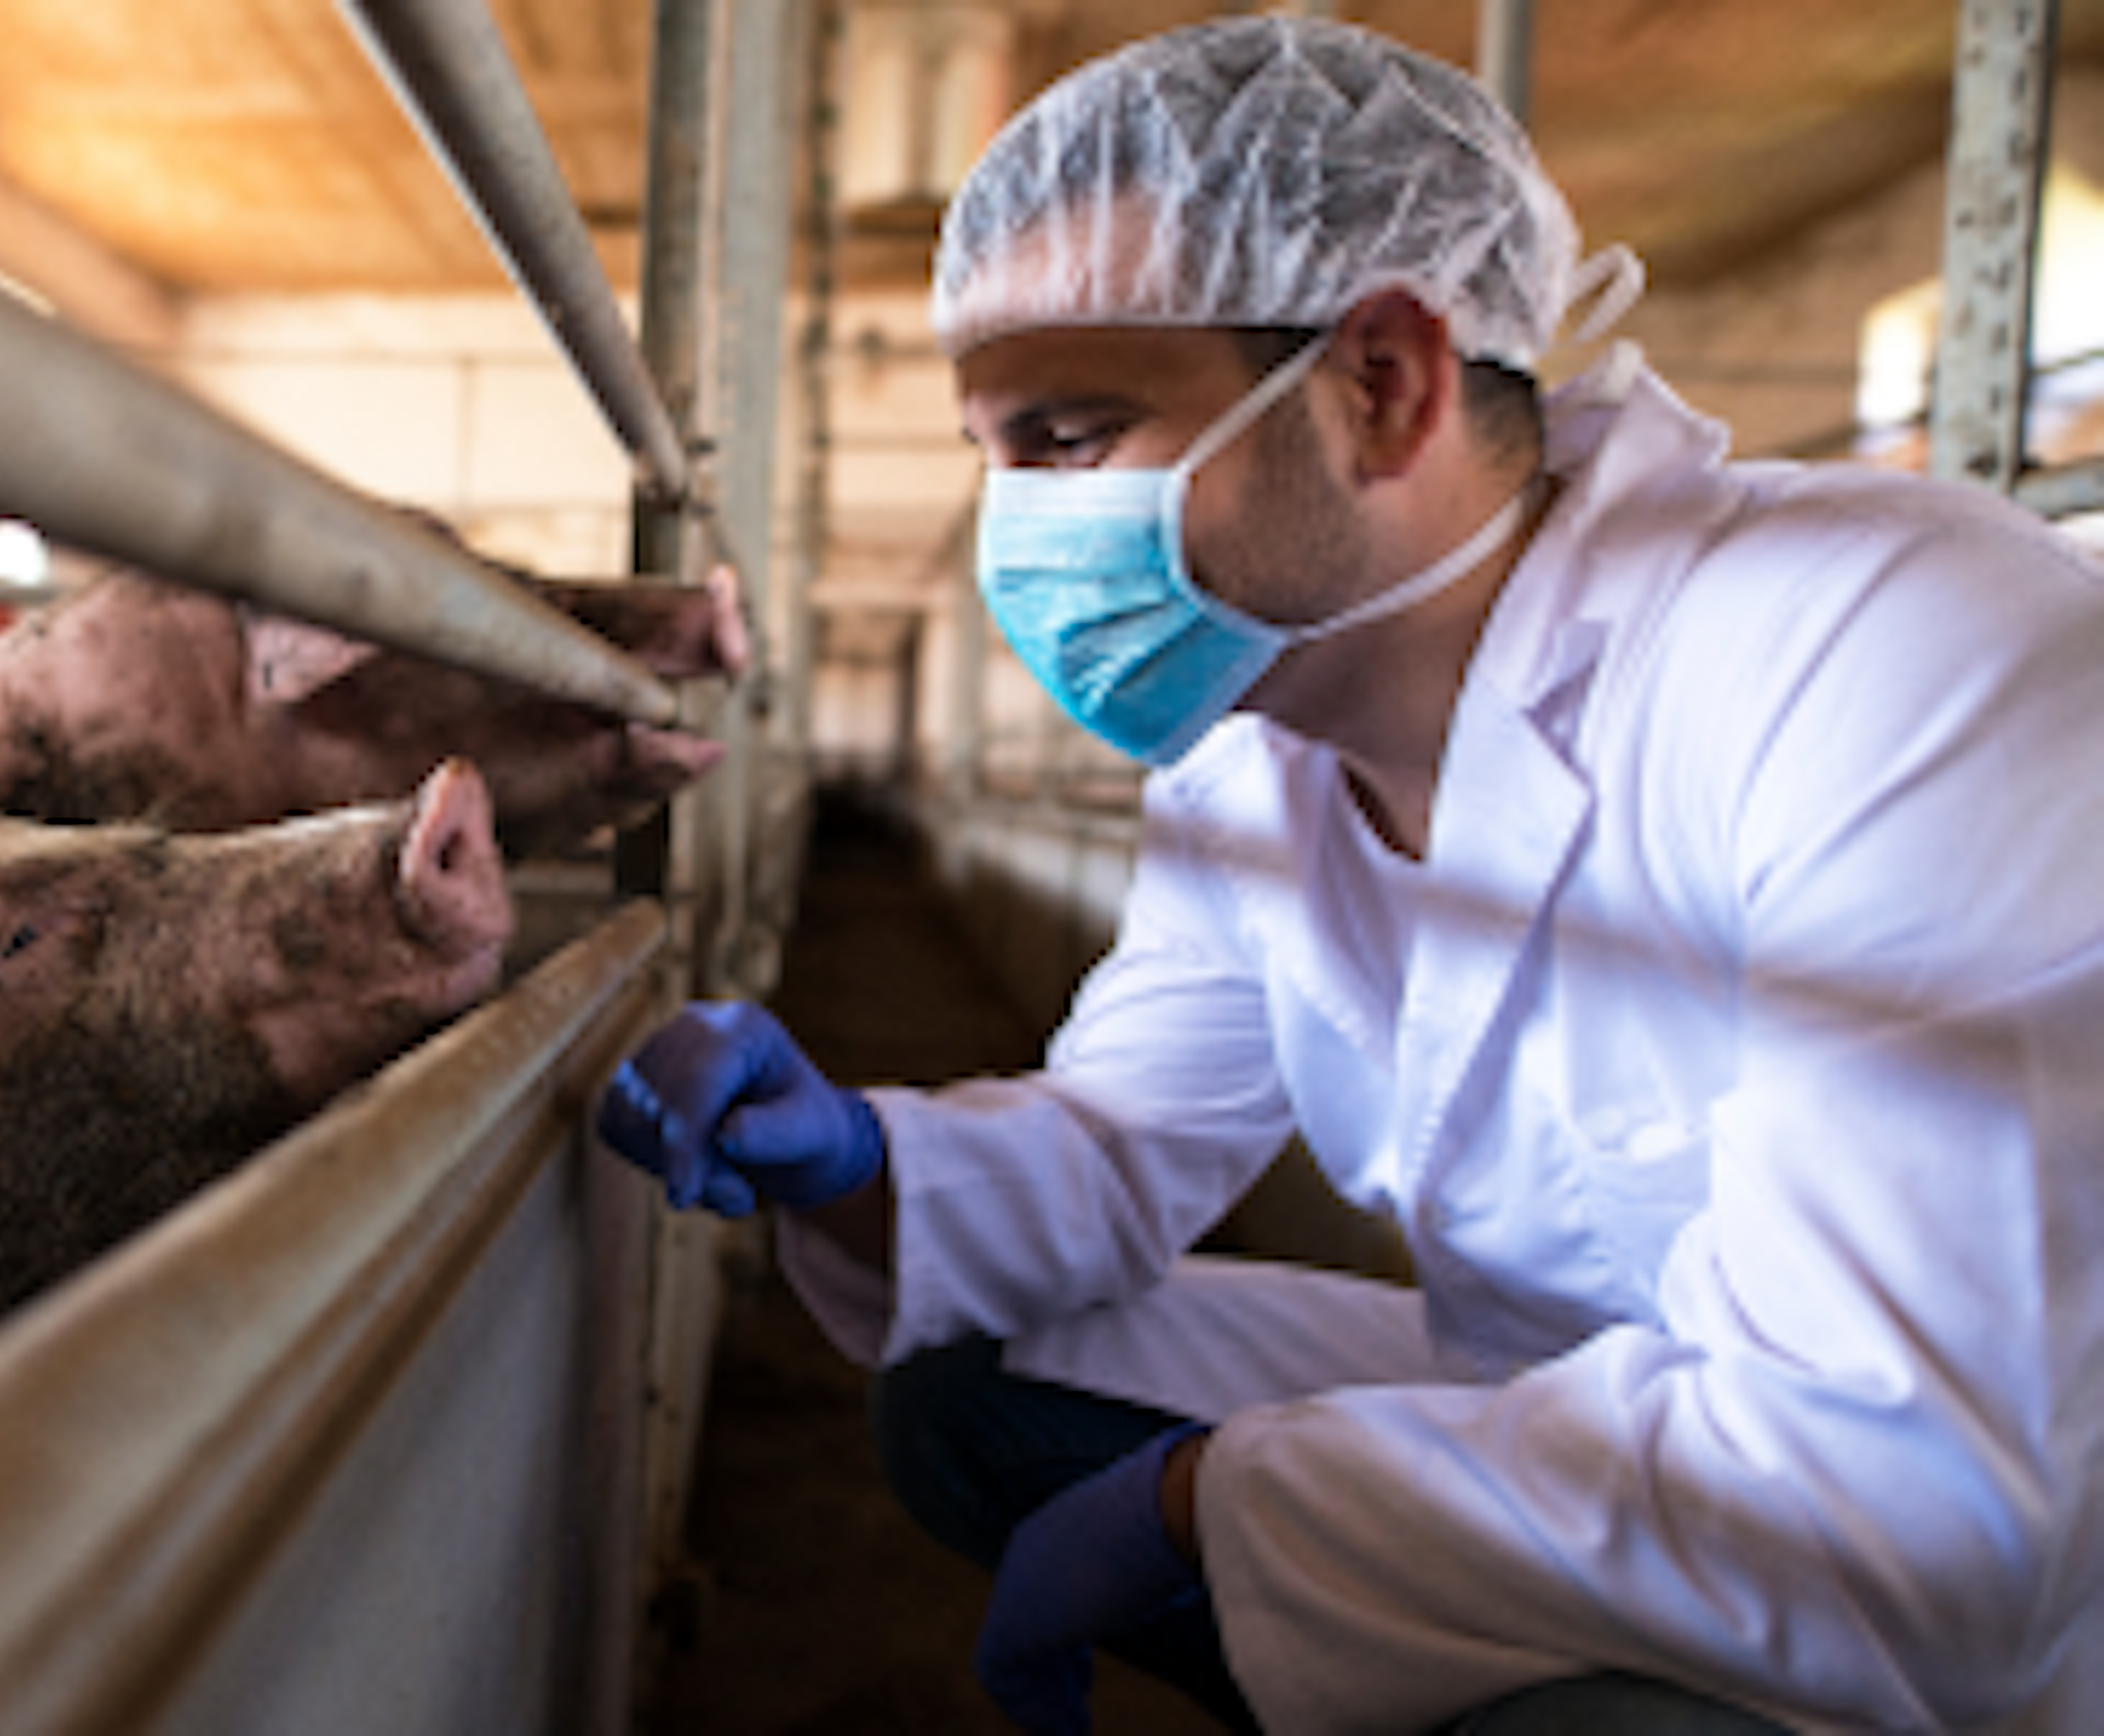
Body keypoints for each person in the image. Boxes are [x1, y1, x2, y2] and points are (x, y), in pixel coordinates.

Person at [596, 14, 2104, 1734]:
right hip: (1572, 1397)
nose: (1018, 530)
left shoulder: (1885, 648)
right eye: (991, 450)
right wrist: (866, 1161)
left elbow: (1915, 1512)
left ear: (1382, 382)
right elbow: (1119, 1148)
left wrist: (1200, 1507)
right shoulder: (1259, 741)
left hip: (1954, 1562)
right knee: (969, 1389)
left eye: (1070, 437)